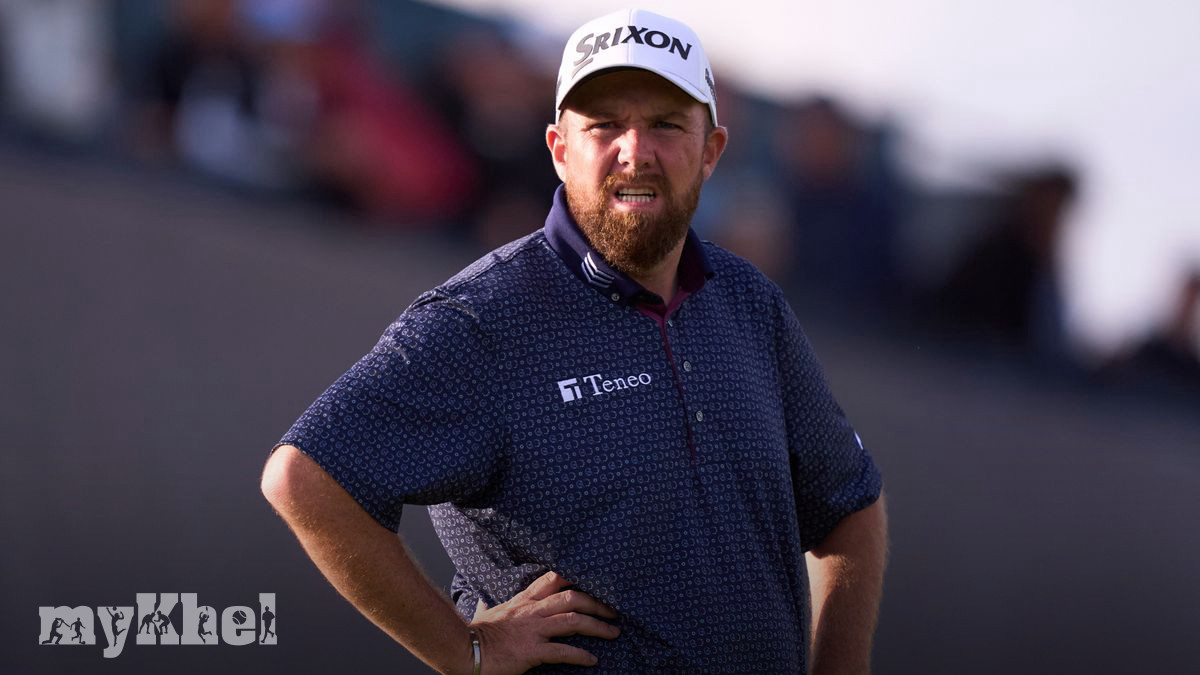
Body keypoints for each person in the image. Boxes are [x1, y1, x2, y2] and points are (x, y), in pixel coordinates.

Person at [262, 9, 887, 674]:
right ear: (560, 149)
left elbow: (850, 503)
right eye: (605, 124)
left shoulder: (750, 303)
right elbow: (305, 477)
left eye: (666, 125)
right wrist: (466, 649)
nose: (635, 150)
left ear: (711, 151)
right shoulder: (484, 318)